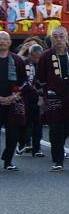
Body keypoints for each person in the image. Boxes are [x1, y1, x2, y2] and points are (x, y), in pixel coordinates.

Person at [37, 26, 69, 172]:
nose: (58, 39)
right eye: (55, 36)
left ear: (67, 37)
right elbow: (40, 78)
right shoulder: (46, 56)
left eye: (61, 36)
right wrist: (42, 96)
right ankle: (58, 161)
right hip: (54, 96)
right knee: (55, 129)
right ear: (51, 39)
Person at [0, 31, 29, 171]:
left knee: (13, 135)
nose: (2, 42)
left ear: (10, 42)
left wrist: (14, 95)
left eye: (5, 39)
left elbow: (25, 81)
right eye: (0, 39)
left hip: (13, 102)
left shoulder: (17, 60)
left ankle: (8, 161)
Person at [18, 43, 44, 157]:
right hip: (25, 97)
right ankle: (22, 144)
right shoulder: (24, 63)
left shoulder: (43, 64)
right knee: (24, 123)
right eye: (34, 57)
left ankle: (36, 149)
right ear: (30, 55)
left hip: (39, 98)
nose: (36, 59)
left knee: (38, 125)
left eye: (39, 57)